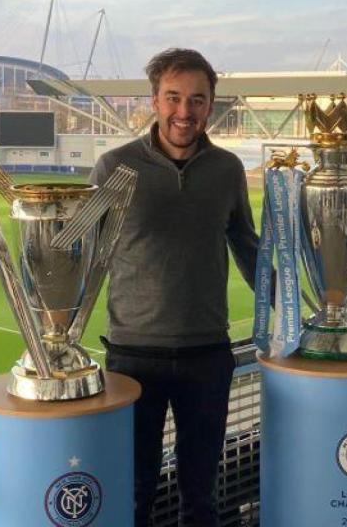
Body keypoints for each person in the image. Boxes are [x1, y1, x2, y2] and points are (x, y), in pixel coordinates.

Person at [90, 48, 259, 527]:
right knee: (134, 491)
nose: (185, 112)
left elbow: (245, 244)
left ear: (211, 105)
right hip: (132, 355)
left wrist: (286, 299)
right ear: (154, 99)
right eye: (174, 97)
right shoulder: (113, 168)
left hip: (207, 354)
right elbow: (85, 257)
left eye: (197, 100)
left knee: (200, 494)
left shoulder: (227, 170)